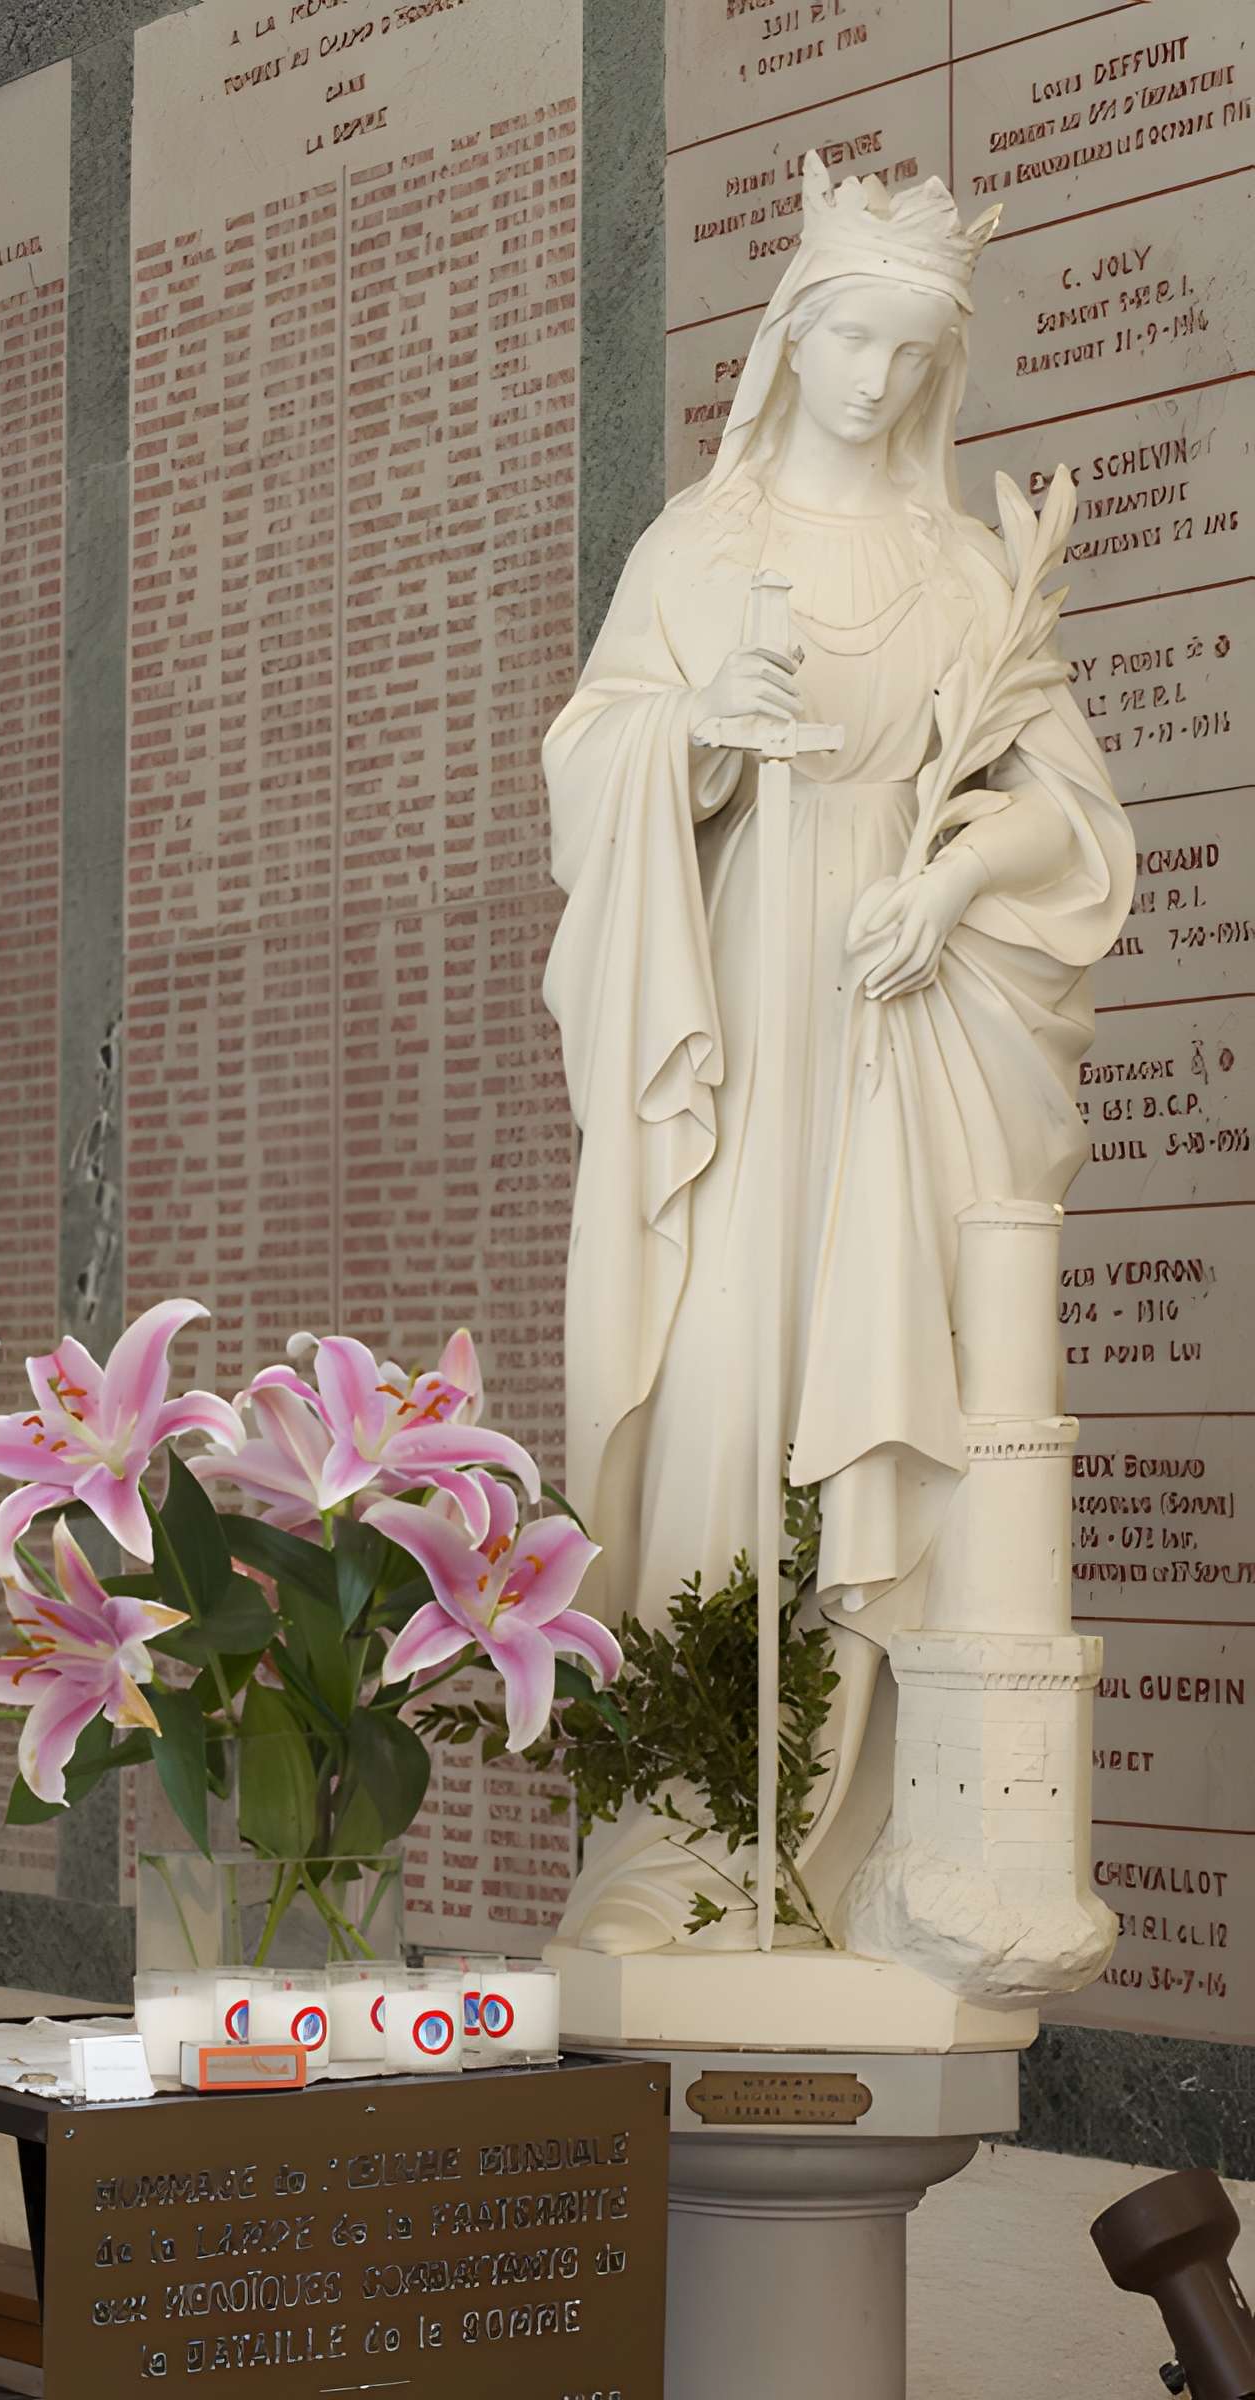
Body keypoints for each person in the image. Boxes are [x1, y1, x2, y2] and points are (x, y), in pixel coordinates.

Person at [542, 153, 1133, 1953]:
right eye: (849, 341)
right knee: (725, 1395)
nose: (875, 383)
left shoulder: (968, 574)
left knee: (897, 1437)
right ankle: (686, 1849)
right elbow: (591, 763)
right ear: (790, 338)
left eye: (909, 351)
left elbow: (1074, 824)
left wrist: (955, 872)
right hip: (736, 1033)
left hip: (905, 1045)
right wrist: (693, 740)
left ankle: (865, 1848)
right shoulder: (699, 548)